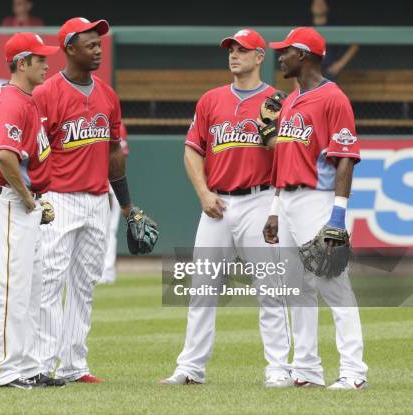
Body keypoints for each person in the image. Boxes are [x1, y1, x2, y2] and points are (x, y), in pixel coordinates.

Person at [159, 28, 292, 387]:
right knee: (201, 289)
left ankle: (278, 368)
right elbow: (191, 150)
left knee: (271, 290)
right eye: (231, 49)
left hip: (260, 200)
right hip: (216, 203)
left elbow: (289, 157)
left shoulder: (279, 100)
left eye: (242, 50)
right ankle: (190, 368)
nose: (234, 55)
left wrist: (271, 135)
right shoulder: (211, 100)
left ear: (259, 56)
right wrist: (202, 192)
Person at [31, 17, 136, 383]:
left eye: (99, 44)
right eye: (90, 44)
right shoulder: (45, 93)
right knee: (48, 283)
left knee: (84, 286)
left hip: (96, 199)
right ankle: (41, 365)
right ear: (69, 49)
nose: (97, 50)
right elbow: (33, 152)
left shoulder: (107, 94)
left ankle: (75, 366)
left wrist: (126, 205)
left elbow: (114, 153)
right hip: (57, 199)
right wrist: (36, 198)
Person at [264, 27, 368, 390]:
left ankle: (354, 371)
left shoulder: (333, 98)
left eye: (286, 51)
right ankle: (306, 368)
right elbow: (284, 161)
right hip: (290, 199)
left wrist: (337, 216)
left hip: (318, 199)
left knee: (333, 283)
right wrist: (275, 208)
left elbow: (346, 159)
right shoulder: (291, 100)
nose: (280, 56)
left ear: (304, 55)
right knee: (298, 287)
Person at [0, 32, 64, 390]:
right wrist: (28, 198)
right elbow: (3, 156)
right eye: (40, 59)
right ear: (22, 63)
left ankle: (28, 366)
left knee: (31, 289)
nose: (47, 64)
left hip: (20, 201)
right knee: (13, 289)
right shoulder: (14, 100)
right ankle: (4, 372)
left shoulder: (24, 98)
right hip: (10, 202)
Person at [100, 122, 128, 285]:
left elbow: (119, 156)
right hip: (91, 181)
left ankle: (107, 272)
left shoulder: (118, 125)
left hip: (110, 182)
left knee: (109, 229)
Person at [311, 0, 359, 79]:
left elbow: (355, 45)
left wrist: (340, 64)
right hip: (309, 71)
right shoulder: (306, 28)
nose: (319, 5)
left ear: (327, 7)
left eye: (322, 3)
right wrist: (297, 77)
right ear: (311, 7)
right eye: (316, 3)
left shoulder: (334, 27)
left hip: (328, 71)